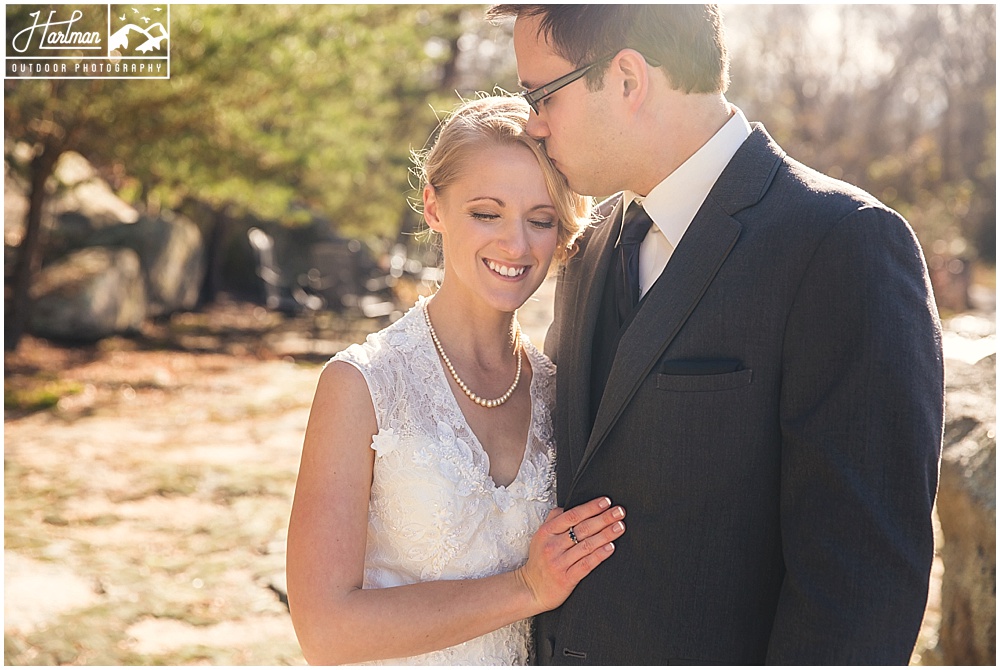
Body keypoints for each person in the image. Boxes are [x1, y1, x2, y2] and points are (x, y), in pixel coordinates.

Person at [486, 4, 944, 665]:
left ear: (625, 79)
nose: (533, 121)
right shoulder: (589, 247)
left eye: (540, 93)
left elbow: (859, 584)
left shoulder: (842, 243)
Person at [285, 94, 627, 665]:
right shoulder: (362, 384)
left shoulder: (558, 392)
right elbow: (324, 630)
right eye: (486, 213)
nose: (515, 245)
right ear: (434, 207)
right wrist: (525, 588)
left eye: (540, 220)